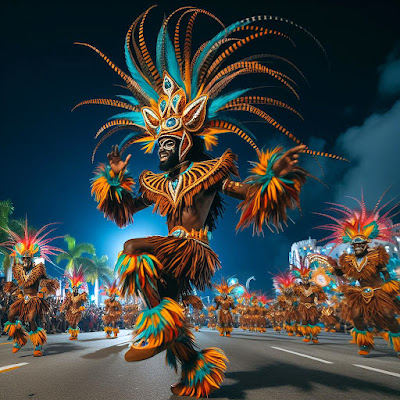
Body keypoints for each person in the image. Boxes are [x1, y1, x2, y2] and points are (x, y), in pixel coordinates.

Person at [76, 7, 344, 396]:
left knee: (133, 248)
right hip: (171, 251)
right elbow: (124, 209)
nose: (164, 148)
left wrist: (275, 179)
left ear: (188, 138)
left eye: (171, 141)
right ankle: (196, 370)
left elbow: (250, 194)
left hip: (193, 248)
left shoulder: (211, 173)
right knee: (168, 310)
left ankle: (158, 325)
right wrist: (114, 177)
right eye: (160, 142)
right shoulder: (155, 182)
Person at [319, 193, 400, 356]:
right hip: (360, 294)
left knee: (388, 316)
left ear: (365, 244)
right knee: (356, 317)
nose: (356, 247)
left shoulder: (376, 256)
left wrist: (390, 287)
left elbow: (385, 273)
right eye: (354, 244)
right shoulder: (349, 261)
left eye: (359, 244)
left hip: (378, 292)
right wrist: (334, 266)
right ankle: (364, 344)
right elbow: (344, 273)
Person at [1, 220, 62, 356]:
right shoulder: (18, 270)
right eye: (24, 259)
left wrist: (42, 292)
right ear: (21, 259)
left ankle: (37, 345)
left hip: (35, 299)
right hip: (23, 298)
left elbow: (47, 282)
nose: (25, 261)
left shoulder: (38, 270)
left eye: (28, 259)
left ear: (32, 259)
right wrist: (14, 290)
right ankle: (20, 338)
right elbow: (18, 285)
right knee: (10, 314)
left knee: (30, 318)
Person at [292, 262, 326, 343]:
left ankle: (314, 334)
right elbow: (293, 295)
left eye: (306, 277)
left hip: (312, 306)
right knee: (304, 319)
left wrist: (320, 297)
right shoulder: (298, 288)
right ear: (301, 278)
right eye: (303, 277)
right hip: (303, 306)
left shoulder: (314, 287)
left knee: (313, 320)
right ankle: (307, 334)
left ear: (309, 278)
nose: (305, 279)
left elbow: (320, 295)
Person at [60, 266, 88, 340]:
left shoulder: (80, 296)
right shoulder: (70, 295)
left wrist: (82, 307)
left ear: (77, 289)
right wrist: (64, 306)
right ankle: (73, 334)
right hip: (71, 311)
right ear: (73, 289)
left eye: (76, 288)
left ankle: (74, 335)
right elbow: (67, 301)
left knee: (75, 323)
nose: (75, 290)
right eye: (74, 288)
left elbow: (82, 302)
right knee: (71, 323)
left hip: (77, 311)